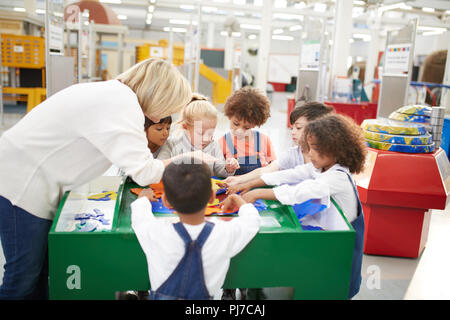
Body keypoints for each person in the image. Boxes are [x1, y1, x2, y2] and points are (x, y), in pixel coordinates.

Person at [0, 58, 212, 300]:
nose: (164, 115)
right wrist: (189, 158)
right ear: (159, 95)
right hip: (22, 185)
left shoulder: (114, 94)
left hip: (31, 177)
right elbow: (144, 171)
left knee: (41, 273)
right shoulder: (121, 104)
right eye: (168, 107)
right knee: (22, 279)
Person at [230, 114, 367, 299]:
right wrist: (252, 183)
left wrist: (257, 193)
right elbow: (292, 174)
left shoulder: (339, 177)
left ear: (335, 150)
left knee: (333, 289)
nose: (309, 154)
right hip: (327, 243)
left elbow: (300, 191)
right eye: (309, 148)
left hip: (341, 250)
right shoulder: (322, 168)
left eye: (315, 149)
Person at [131, 157, 261, 300]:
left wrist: (143, 198)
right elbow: (252, 221)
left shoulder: (155, 232)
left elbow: (139, 215)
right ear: (212, 197)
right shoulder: (224, 233)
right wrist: (238, 200)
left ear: (165, 201)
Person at [225, 101, 334, 189]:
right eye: (292, 128)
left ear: (318, 128)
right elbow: (268, 170)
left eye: (298, 128)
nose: (293, 132)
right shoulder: (293, 154)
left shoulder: (331, 162)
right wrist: (239, 179)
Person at [157, 94, 240, 177]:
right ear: (185, 127)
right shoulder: (171, 144)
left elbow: (220, 170)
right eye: (200, 133)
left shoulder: (213, 145)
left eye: (210, 133)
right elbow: (158, 168)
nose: (206, 139)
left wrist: (228, 168)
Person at [218, 86, 275, 176]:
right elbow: (218, 171)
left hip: (258, 187)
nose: (240, 131)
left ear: (255, 124)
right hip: (234, 188)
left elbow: (274, 166)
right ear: (229, 116)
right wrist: (227, 168)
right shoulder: (223, 142)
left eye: (247, 127)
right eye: (236, 124)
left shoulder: (263, 140)